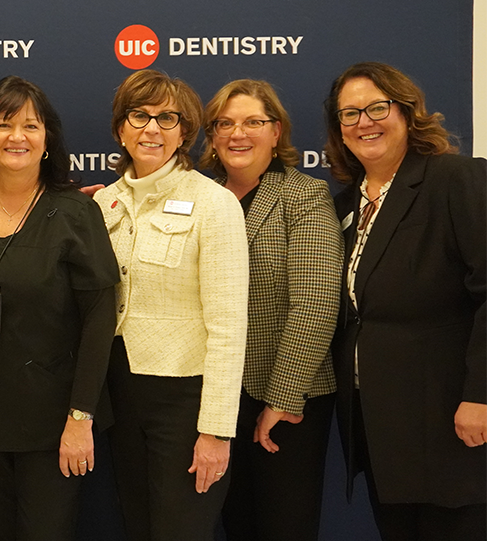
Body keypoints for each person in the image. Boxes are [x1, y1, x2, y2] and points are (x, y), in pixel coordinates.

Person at [0, 75, 118, 541]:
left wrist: (80, 418)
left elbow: (100, 318)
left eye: (31, 126)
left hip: (54, 425)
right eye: (4, 125)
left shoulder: (75, 212)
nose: (17, 137)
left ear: (48, 141)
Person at [325, 61, 487, 541]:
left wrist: (480, 395)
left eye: (377, 107)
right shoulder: (346, 204)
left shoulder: (455, 178)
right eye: (349, 114)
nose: (363, 123)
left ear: (407, 111)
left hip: (449, 420)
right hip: (381, 426)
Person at [92, 69, 248, 541]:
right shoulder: (101, 203)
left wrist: (217, 431)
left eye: (167, 118)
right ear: (121, 128)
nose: (152, 129)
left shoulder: (214, 203)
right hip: (119, 397)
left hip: (184, 404)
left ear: (185, 132)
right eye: (139, 116)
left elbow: (227, 326)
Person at [198, 79, 342, 541]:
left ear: (276, 131)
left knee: (284, 527)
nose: (238, 134)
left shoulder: (303, 196)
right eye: (225, 123)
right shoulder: (200, 198)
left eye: (253, 122)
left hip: (289, 400)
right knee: (236, 524)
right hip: (218, 399)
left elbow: (315, 303)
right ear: (213, 136)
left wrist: (281, 398)